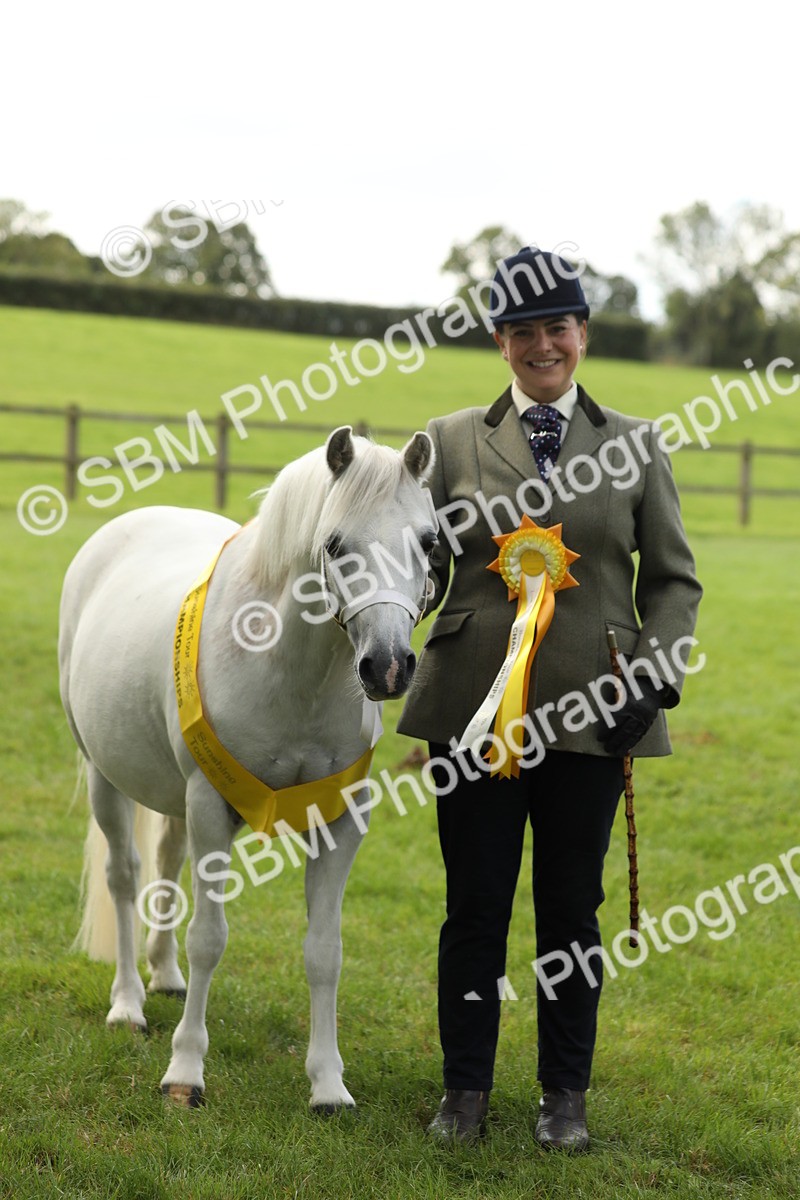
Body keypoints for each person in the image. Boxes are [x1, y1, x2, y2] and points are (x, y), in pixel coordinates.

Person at [397, 247, 702, 1150]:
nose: (542, 345)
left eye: (557, 328)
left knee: (572, 909)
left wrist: (654, 677)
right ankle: (464, 1095)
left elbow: (675, 582)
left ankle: (563, 1096)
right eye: (522, 331)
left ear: (582, 335)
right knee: (475, 905)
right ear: (499, 342)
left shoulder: (638, 442)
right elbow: (420, 567)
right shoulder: (450, 439)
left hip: (593, 711)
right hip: (469, 712)